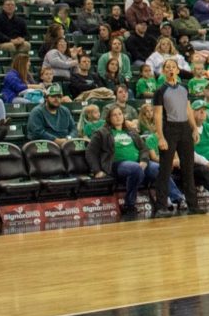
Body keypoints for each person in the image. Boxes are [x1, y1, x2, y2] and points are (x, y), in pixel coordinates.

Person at [85, 105, 157, 214]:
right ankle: (129, 204)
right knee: (136, 169)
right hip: (117, 164)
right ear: (109, 118)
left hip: (139, 163)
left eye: (120, 114)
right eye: (114, 115)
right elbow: (90, 152)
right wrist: (97, 170)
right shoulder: (101, 133)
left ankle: (176, 198)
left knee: (159, 168)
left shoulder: (131, 131)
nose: (118, 117)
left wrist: (144, 160)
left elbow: (144, 148)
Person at [153, 57, 202, 216]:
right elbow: (158, 115)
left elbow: (188, 110)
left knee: (188, 168)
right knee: (165, 170)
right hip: (169, 129)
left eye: (173, 67)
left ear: (178, 70)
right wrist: (160, 137)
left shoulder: (184, 88)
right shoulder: (160, 91)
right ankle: (161, 206)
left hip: (184, 129)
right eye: (167, 67)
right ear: (164, 71)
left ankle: (193, 205)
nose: (171, 69)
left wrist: (194, 128)